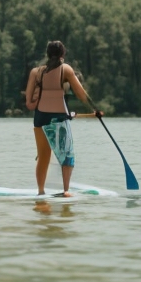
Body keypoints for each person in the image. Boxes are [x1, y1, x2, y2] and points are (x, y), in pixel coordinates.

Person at [25, 40, 100, 197]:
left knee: (43, 156)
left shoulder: (35, 72)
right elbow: (80, 93)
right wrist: (95, 109)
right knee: (66, 155)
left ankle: (40, 191)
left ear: (47, 54)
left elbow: (28, 103)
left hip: (39, 118)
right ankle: (66, 191)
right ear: (63, 54)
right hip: (58, 118)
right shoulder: (65, 69)